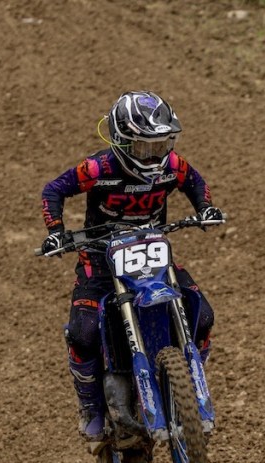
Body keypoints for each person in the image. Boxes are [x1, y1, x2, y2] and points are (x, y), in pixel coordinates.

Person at [40, 91, 224, 442]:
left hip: (152, 249)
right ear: (122, 141)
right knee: (83, 333)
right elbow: (54, 190)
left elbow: (195, 183)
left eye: (161, 144)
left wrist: (205, 208)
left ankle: (185, 384)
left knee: (202, 317)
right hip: (99, 257)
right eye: (144, 147)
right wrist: (56, 232)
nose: (155, 154)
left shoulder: (173, 165)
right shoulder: (98, 168)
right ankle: (91, 407)